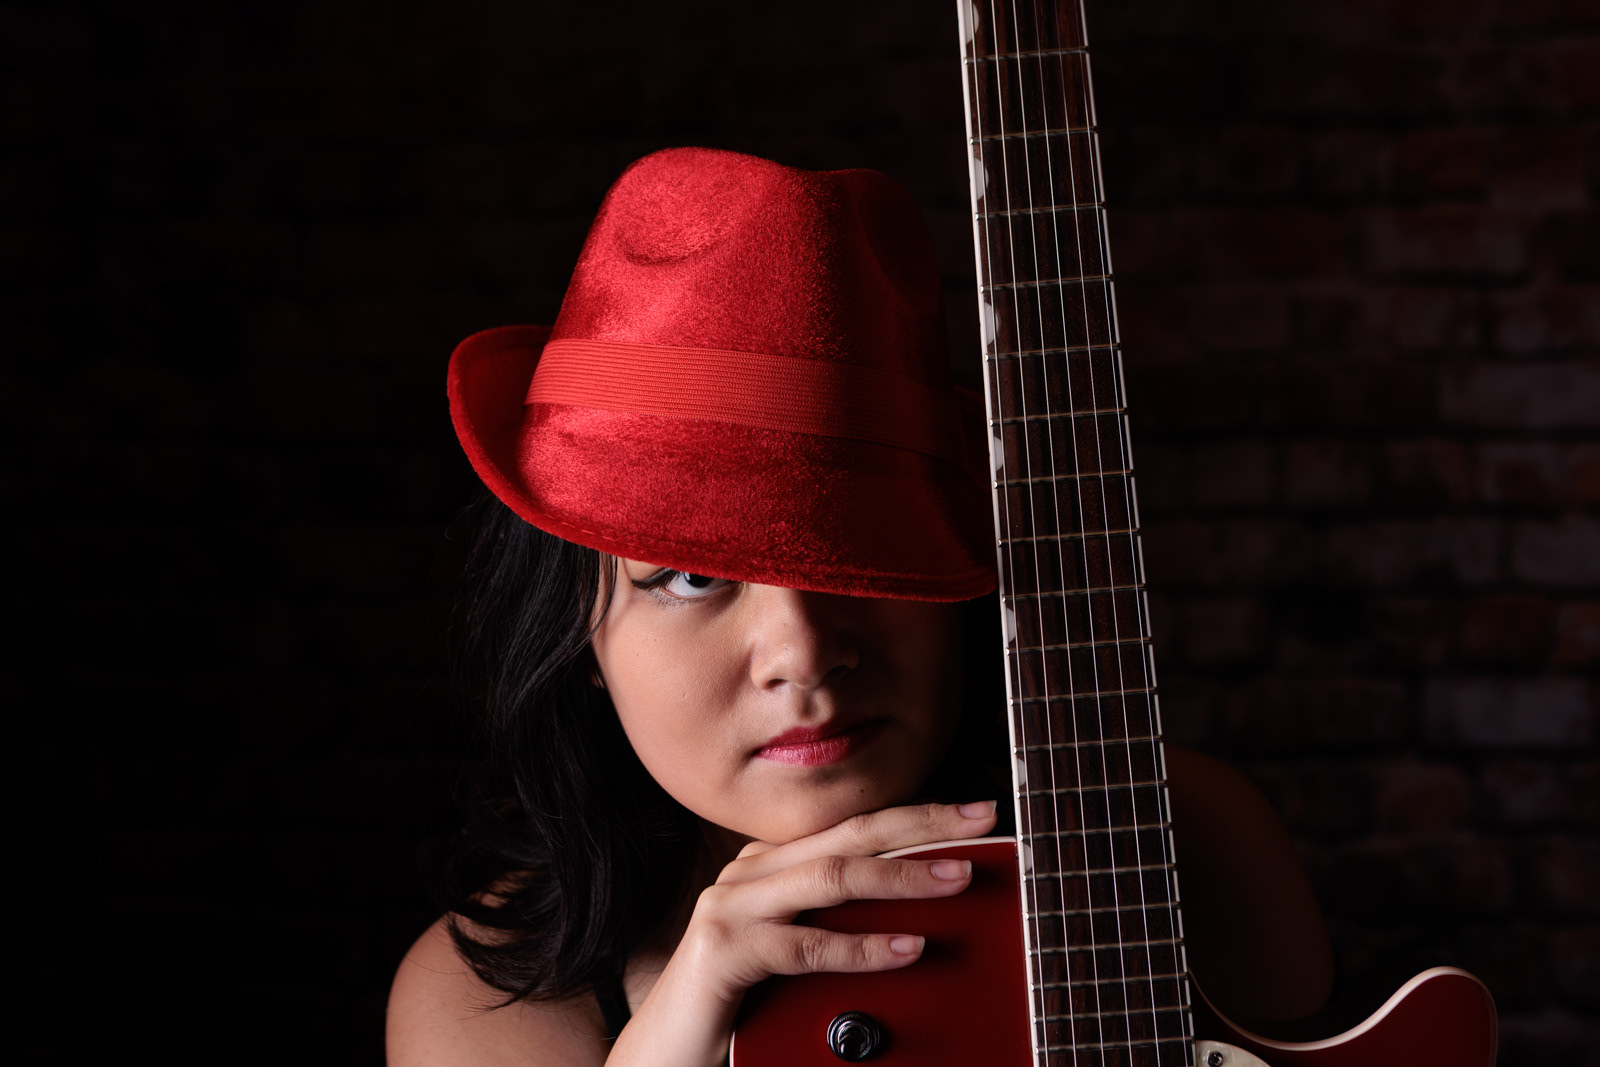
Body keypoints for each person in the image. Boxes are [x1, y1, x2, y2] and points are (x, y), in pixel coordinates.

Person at [386, 147, 1332, 1066]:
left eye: (861, 556)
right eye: (690, 575)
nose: (801, 649)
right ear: (579, 634)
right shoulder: (483, 995)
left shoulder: (1178, 838)